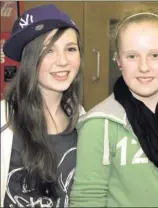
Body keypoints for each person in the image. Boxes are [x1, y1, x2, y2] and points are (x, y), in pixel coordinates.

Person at [70, 8, 158, 207]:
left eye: (155, 55)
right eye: (132, 56)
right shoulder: (99, 125)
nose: (143, 67)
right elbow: (87, 199)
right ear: (118, 60)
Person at [1, 4, 85, 207]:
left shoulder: (84, 121)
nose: (63, 61)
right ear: (30, 59)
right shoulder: (4, 119)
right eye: (48, 51)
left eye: (71, 49)